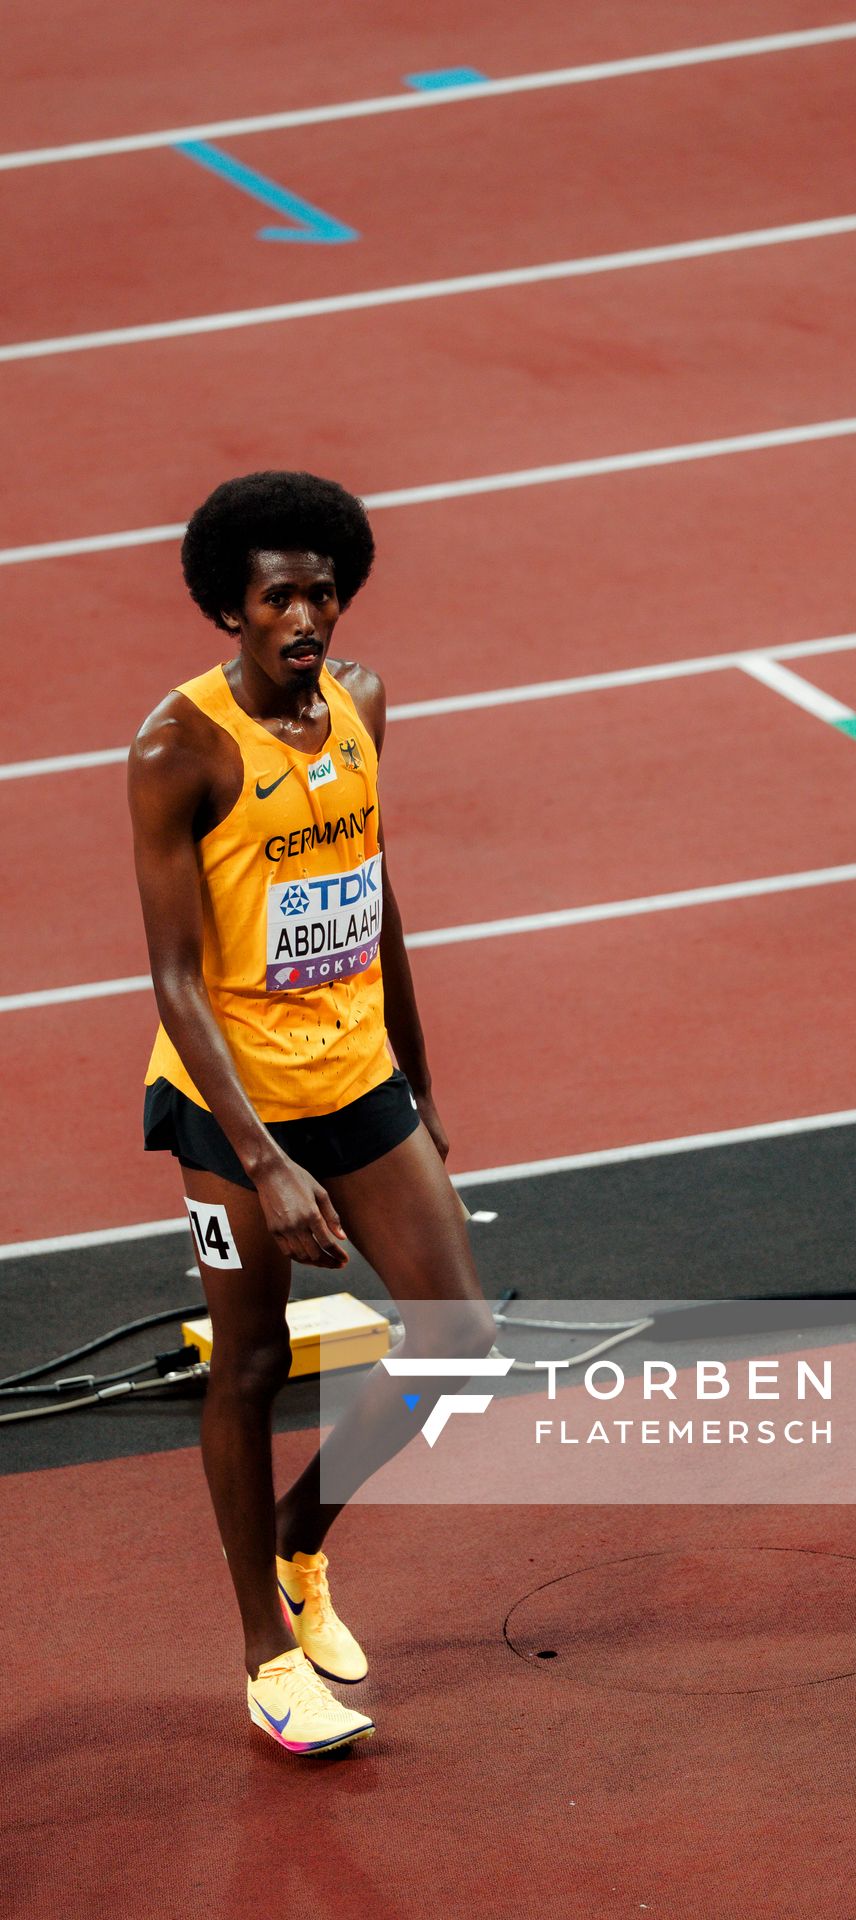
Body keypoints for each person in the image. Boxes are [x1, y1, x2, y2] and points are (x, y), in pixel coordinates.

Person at [128, 470, 495, 1756]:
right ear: (227, 607)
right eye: (278, 596)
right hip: (230, 1113)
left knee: (455, 1339)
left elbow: (371, 898)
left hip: (356, 1078)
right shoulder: (179, 750)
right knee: (249, 1364)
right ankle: (263, 1655)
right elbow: (175, 980)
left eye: (322, 592)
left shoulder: (362, 706)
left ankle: (299, 1541)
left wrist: (424, 1083)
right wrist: (262, 1160)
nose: (306, 617)